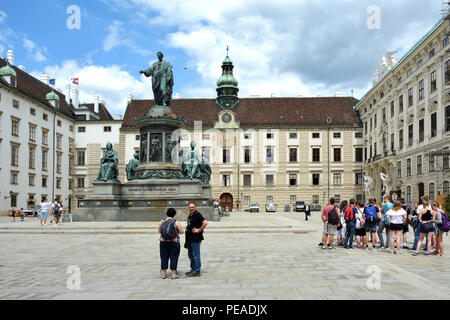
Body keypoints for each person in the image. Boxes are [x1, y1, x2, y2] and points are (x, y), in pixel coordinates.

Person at [158, 208, 184, 279]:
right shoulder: (176, 222)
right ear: (174, 214)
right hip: (174, 242)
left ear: (167, 214)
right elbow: (181, 232)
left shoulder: (162, 221)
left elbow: (159, 231)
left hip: (163, 242)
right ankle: (173, 274)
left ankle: (163, 274)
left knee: (163, 257)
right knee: (174, 257)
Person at [185, 202, 208, 277]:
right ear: (188, 208)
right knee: (190, 255)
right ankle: (193, 269)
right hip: (190, 238)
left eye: (192, 207)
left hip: (195, 238)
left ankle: (197, 270)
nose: (191, 208)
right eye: (190, 207)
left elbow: (205, 222)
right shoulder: (191, 215)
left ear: (195, 207)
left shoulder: (197, 214)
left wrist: (199, 230)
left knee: (195, 255)